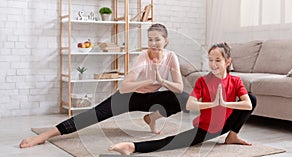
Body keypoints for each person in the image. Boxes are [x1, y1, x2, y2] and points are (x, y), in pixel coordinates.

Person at [19, 23, 189, 148]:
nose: (153, 44)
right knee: (94, 115)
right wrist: (148, 81)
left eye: (157, 39)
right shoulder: (143, 57)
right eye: (150, 39)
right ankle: (44, 136)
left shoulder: (171, 56)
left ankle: (151, 119)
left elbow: (179, 87)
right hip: (128, 97)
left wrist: (161, 80)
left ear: (166, 41)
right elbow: (124, 87)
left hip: (151, 98)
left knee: (183, 98)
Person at [109, 42, 257, 155]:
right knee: (173, 141)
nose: (213, 64)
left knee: (252, 98)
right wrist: (212, 104)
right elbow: (191, 105)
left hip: (227, 122)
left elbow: (248, 105)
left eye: (218, 60)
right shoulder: (203, 81)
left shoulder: (235, 81)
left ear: (228, 62)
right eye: (210, 60)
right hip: (206, 128)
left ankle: (232, 136)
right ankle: (132, 146)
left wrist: (224, 103)